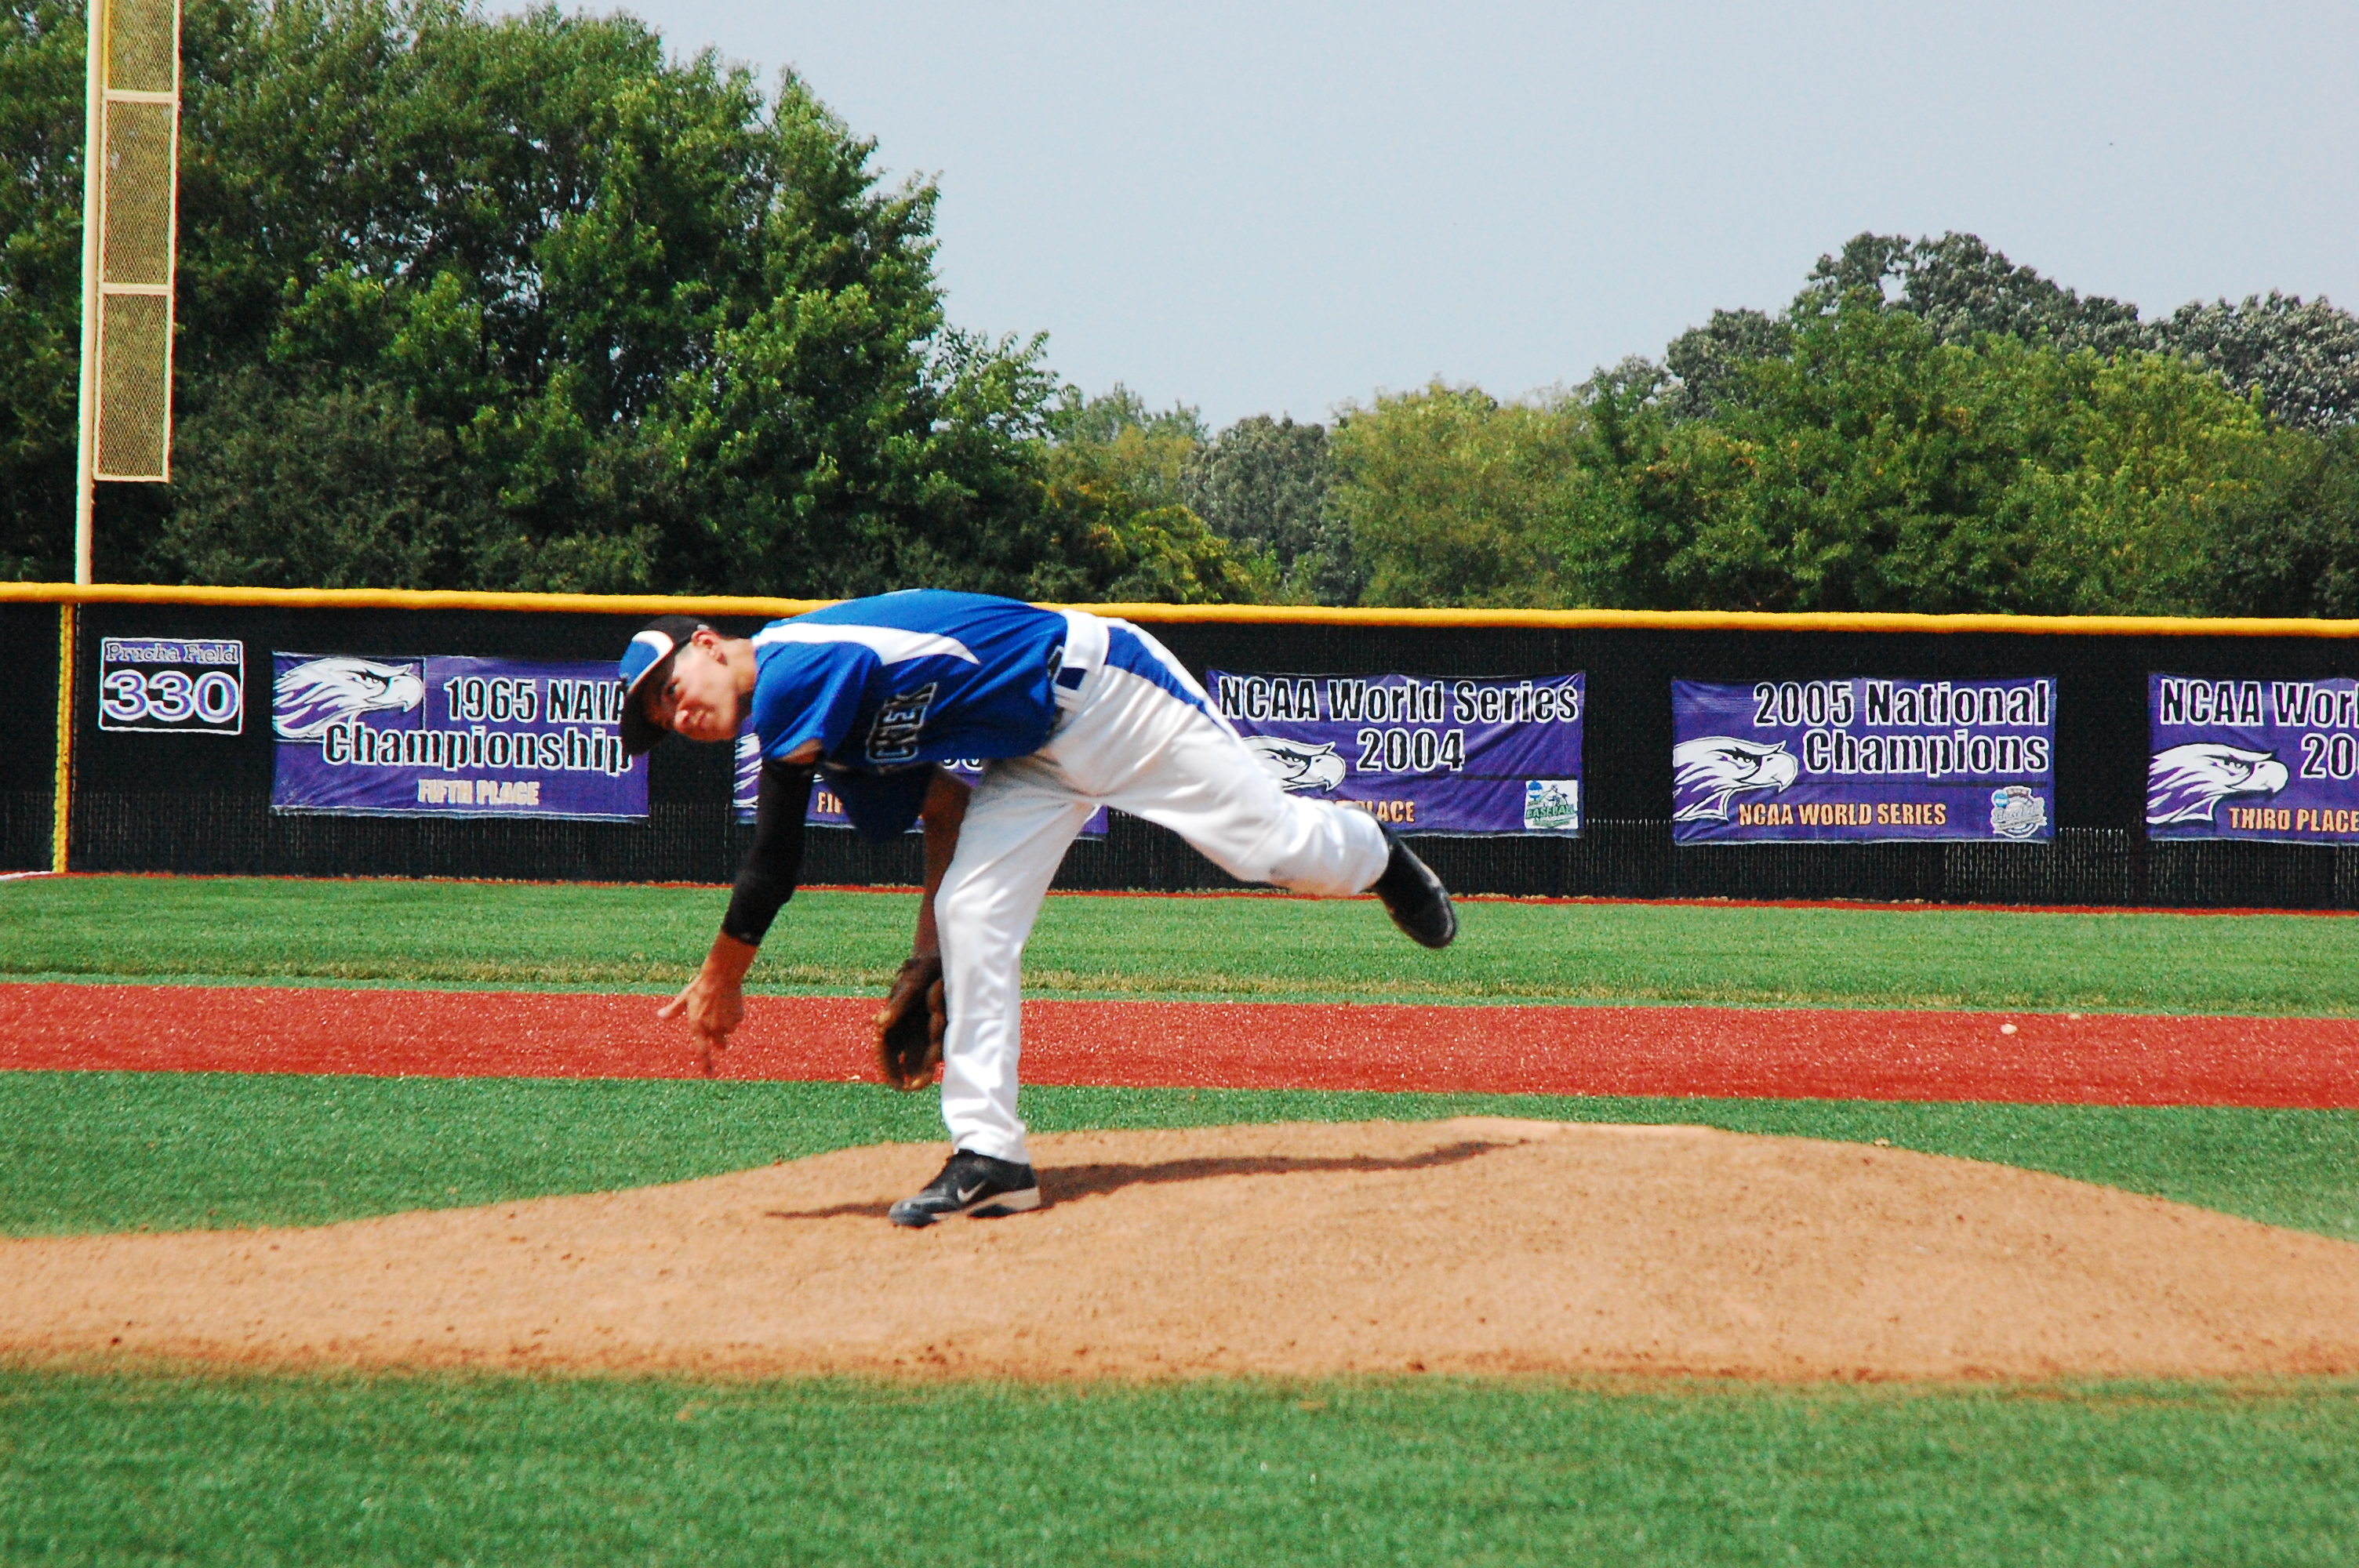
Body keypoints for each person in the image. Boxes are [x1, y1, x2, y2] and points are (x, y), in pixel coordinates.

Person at [618, 590, 1457, 1227]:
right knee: (972, 911)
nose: (677, 714)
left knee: (1273, 852)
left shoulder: (795, 669)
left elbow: (773, 861)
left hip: (1109, 694)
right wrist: (930, 957)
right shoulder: (825, 732)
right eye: (661, 718)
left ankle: (1374, 853)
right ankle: (991, 1158)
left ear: (707, 644)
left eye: (670, 688)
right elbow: (945, 813)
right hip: (1032, 755)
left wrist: (721, 978)